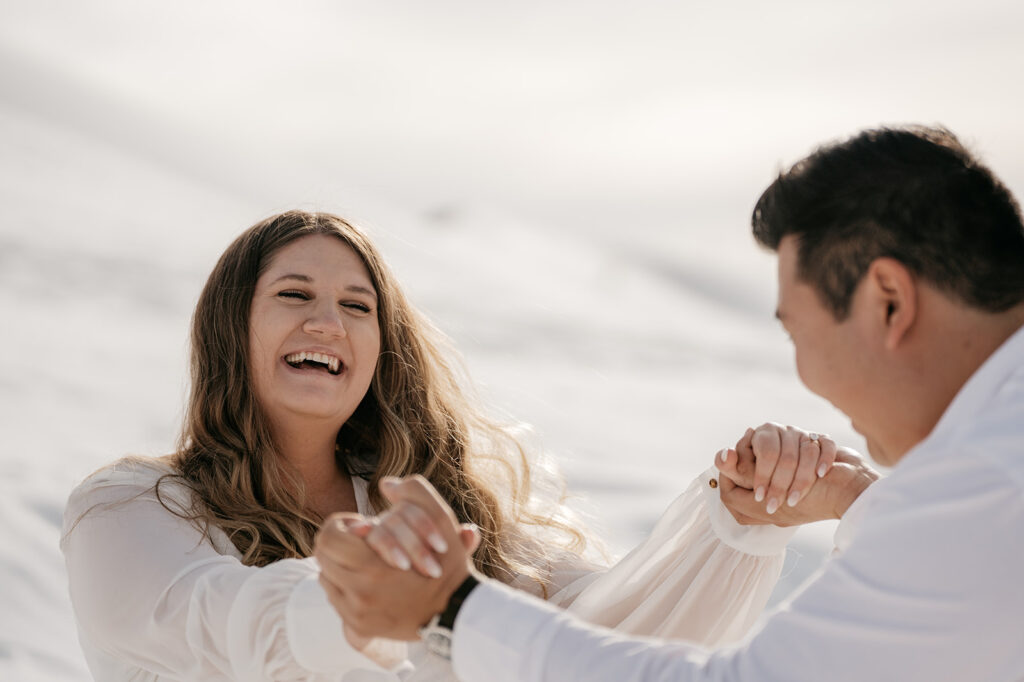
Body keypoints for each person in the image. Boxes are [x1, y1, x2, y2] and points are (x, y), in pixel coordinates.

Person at [317, 125, 1024, 681]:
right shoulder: (988, 472)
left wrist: (453, 609)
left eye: (798, 333)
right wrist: (866, 503)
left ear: (889, 302)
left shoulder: (981, 481)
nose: (807, 376)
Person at [61, 210, 853, 681]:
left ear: (379, 351)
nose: (327, 323)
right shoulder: (131, 509)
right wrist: (365, 602)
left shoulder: (450, 512)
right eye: (293, 296)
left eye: (357, 306)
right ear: (231, 331)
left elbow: (600, 648)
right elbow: (218, 627)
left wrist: (735, 521)